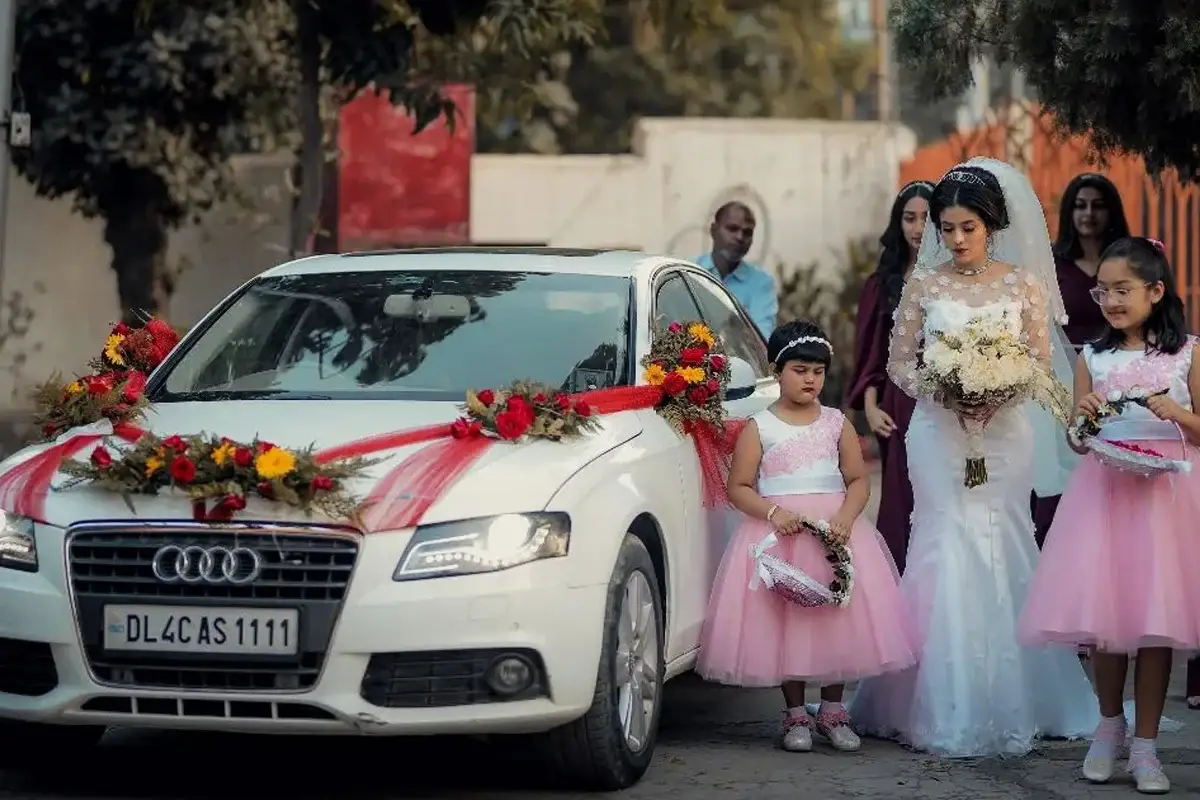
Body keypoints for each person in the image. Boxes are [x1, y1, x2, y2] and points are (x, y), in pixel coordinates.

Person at [849, 158, 1098, 758]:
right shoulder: (924, 285)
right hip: (937, 431)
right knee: (943, 541)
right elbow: (901, 364)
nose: (956, 240)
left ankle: (1017, 695)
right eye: (947, 228)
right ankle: (931, 699)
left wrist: (997, 392)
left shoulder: (1023, 284)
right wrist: (948, 390)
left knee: (1004, 538)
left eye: (968, 229)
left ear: (991, 226)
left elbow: (1039, 363)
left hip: (1007, 432)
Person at [1018, 237, 1200, 794]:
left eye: (1124, 290)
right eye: (1104, 291)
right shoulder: (1090, 357)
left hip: (1166, 506)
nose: (1112, 301)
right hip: (1105, 499)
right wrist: (1085, 420)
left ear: (1156, 291)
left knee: (1154, 624)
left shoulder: (1187, 352)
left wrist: (1179, 415)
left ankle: (1146, 745)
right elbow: (1075, 442)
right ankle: (1107, 725)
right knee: (1105, 624)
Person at [697, 319, 916, 753]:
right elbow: (739, 487)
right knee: (788, 618)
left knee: (837, 615)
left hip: (833, 533)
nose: (810, 379)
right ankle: (795, 713)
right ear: (777, 371)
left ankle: (833, 710)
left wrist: (846, 519)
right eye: (800, 370)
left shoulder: (837, 423)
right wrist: (773, 512)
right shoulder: (760, 427)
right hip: (782, 534)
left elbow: (857, 479)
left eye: (818, 372)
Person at [1032, 173, 1132, 546]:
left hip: (1121, 374)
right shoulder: (1053, 266)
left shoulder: (1127, 260)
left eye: (1098, 205)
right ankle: (1060, 553)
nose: (1088, 213)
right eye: (1080, 205)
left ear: (1112, 211)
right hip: (1063, 380)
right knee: (1065, 468)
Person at [847, 180, 934, 572]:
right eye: (909, 218)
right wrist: (870, 404)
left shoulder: (959, 278)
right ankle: (897, 579)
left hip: (949, 398)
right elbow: (871, 351)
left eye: (927, 218)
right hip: (898, 402)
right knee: (901, 491)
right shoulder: (882, 283)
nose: (917, 228)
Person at [694, 202, 778, 336]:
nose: (740, 237)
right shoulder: (689, 271)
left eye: (747, 232)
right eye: (732, 229)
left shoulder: (761, 283)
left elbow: (762, 338)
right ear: (713, 230)